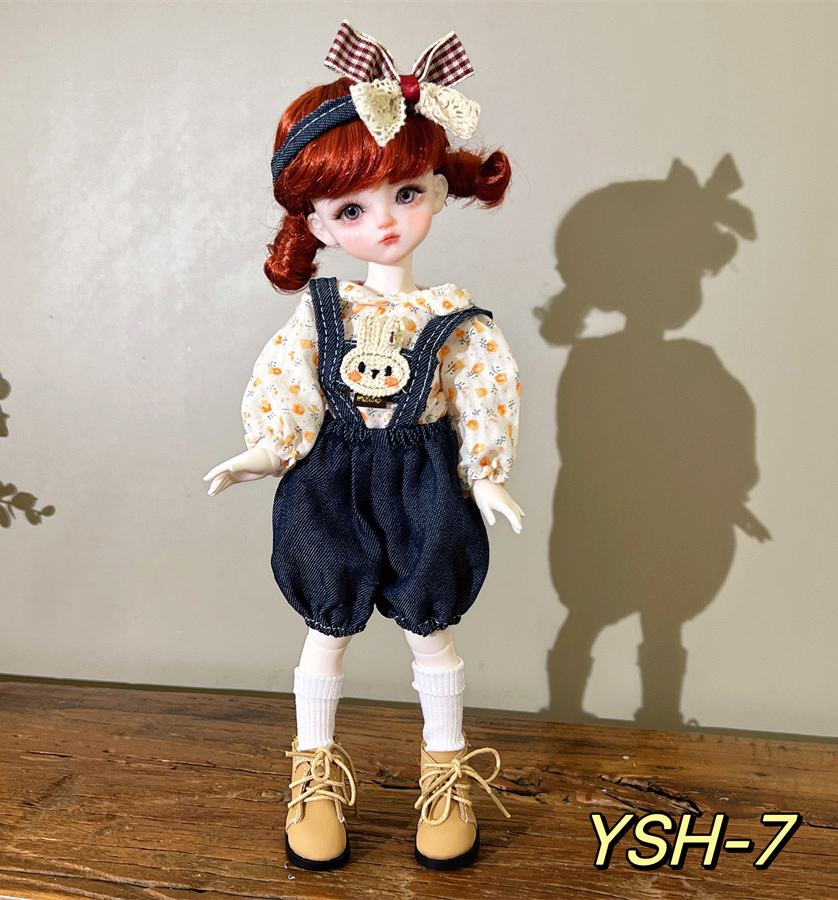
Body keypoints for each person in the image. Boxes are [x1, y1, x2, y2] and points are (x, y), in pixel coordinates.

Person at [204, 21, 521, 871]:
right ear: (315, 221)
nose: (384, 223)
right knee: (327, 627)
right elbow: (290, 388)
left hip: (426, 480)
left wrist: (486, 476)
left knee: (431, 628)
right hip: (331, 478)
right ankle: (312, 775)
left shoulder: (456, 321)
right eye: (351, 209)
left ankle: (447, 773)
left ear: (439, 190)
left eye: (405, 194)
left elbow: (483, 397)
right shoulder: (320, 313)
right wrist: (263, 451)